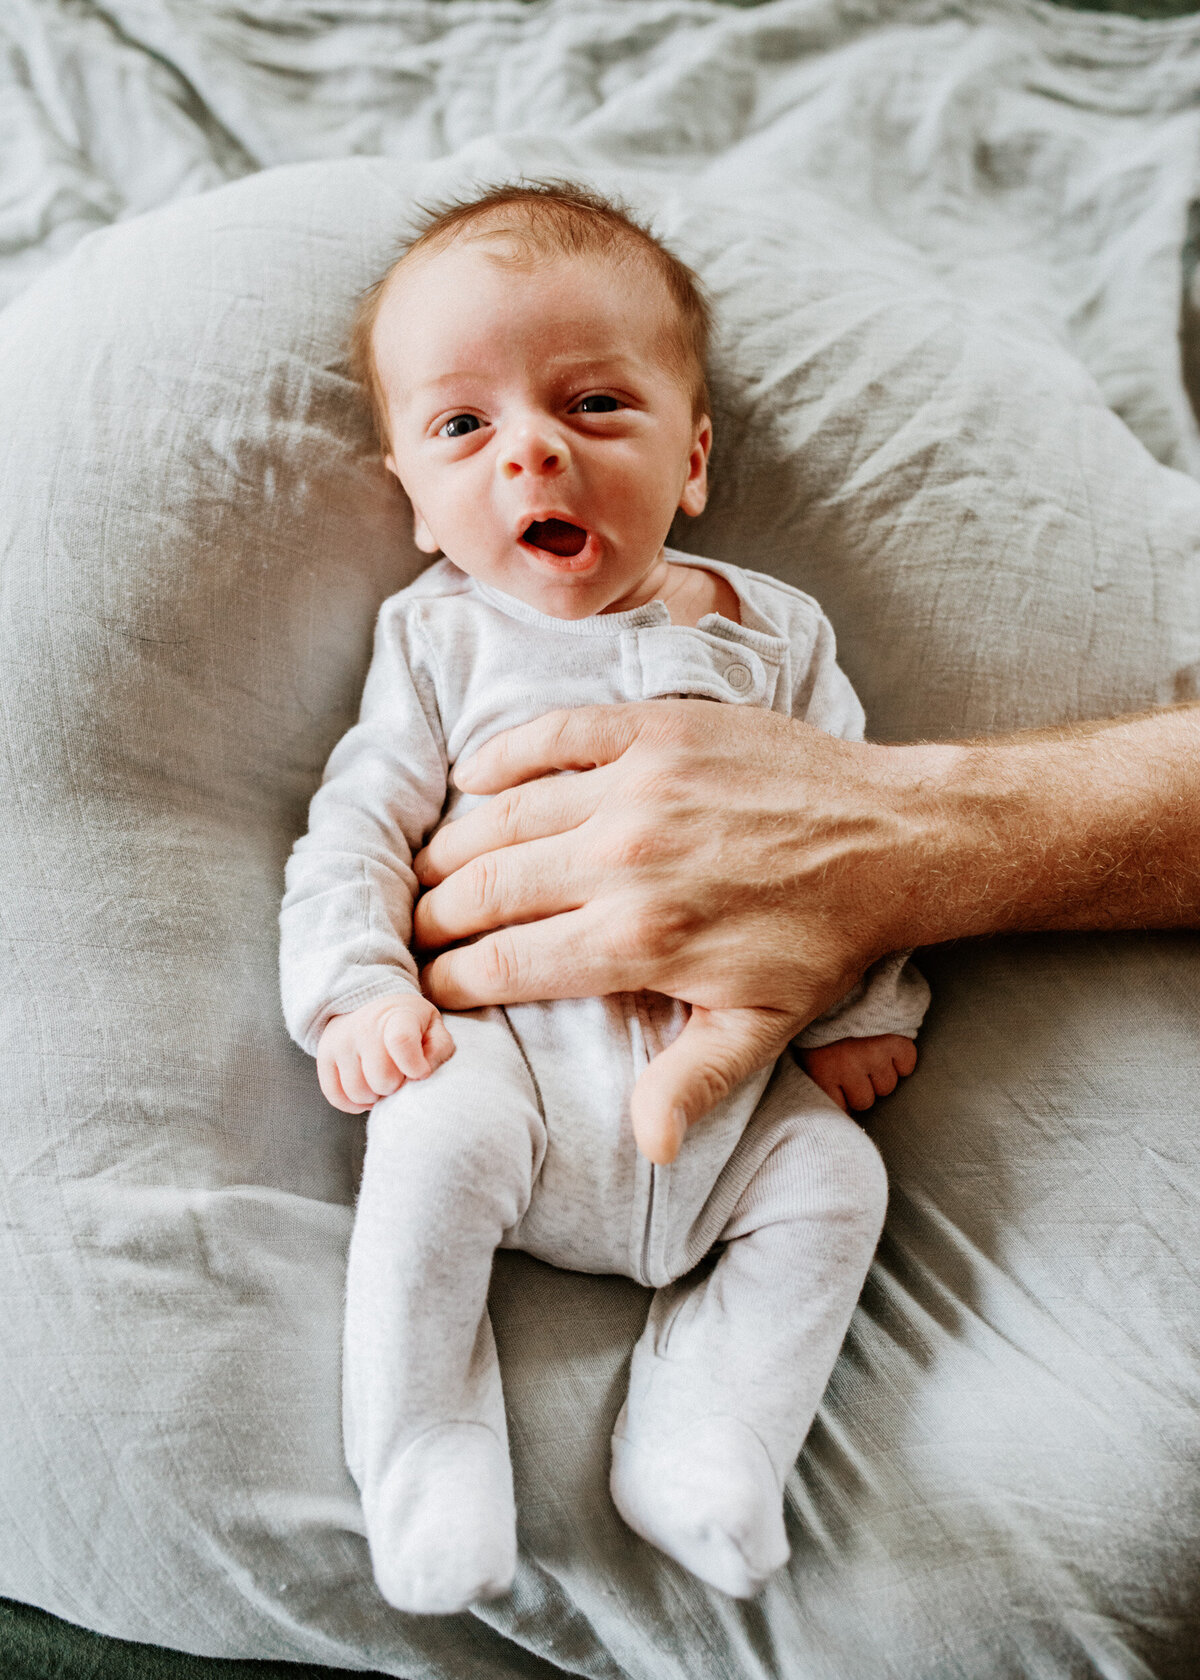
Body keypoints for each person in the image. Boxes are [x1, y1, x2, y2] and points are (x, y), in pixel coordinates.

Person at [279, 182, 929, 1615]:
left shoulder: (773, 633)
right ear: (414, 497)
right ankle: (428, 1448)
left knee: (837, 1184)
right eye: (464, 428)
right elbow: (359, 825)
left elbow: (859, 824)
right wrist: (358, 984)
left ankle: (708, 1438)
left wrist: (867, 1002)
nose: (534, 454)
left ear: (693, 460)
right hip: (507, 1061)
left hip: (733, 1095)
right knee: (425, 1153)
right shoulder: (439, 640)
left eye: (593, 406)